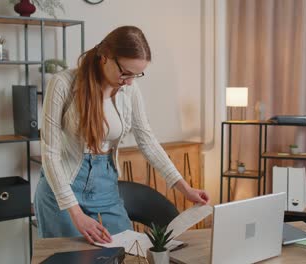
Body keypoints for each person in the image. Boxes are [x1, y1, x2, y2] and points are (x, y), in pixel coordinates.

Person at [34, 25, 209, 244]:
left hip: (105, 187)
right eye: (125, 73)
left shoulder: (129, 90)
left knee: (127, 252)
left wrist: (185, 188)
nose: (129, 81)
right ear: (105, 56)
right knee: (68, 259)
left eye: (136, 75)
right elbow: (50, 155)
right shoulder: (62, 84)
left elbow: (148, 142)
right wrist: (76, 214)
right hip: (63, 186)